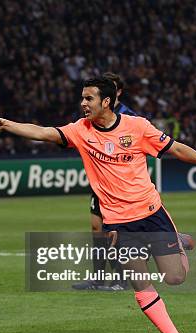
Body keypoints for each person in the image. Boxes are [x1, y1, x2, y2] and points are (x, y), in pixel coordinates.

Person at [0, 76, 196, 333]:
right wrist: (7, 124)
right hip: (117, 222)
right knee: (140, 282)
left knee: (175, 278)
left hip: (151, 214)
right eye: (82, 98)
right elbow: (44, 132)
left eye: (88, 98)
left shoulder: (137, 127)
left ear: (106, 102)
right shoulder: (81, 130)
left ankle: (177, 239)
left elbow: (175, 149)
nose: (83, 103)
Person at [74, 72, 138, 291]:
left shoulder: (129, 118)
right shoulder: (93, 118)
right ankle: (99, 277)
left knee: (115, 232)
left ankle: (120, 279)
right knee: (96, 228)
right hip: (101, 186)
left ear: (116, 92)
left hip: (122, 188)